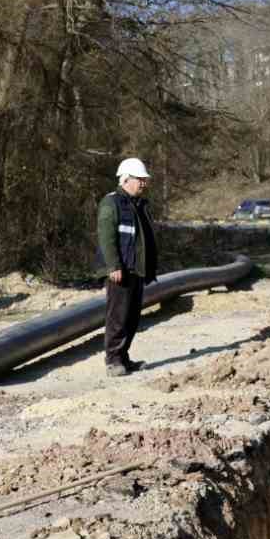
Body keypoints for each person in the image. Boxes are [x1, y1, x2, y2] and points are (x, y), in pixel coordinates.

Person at [96, 157, 159, 377]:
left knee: (132, 317)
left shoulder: (139, 205)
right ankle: (113, 361)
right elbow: (107, 238)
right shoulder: (111, 203)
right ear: (125, 179)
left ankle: (123, 358)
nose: (144, 183)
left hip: (137, 270)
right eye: (140, 179)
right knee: (118, 317)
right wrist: (113, 265)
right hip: (121, 270)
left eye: (144, 180)